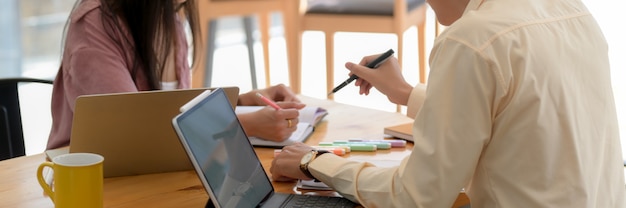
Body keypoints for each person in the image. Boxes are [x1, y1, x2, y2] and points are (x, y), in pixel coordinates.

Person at [270, 0, 626, 206]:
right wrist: (407, 93)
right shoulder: (571, 9)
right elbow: (520, 116)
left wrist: (314, 161)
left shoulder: (470, 39)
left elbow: (416, 197)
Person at [46, 0, 304, 150]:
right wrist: (243, 125)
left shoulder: (169, 18)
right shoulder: (95, 23)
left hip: (154, 178)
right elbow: (131, 132)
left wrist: (242, 102)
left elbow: (171, 111)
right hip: (91, 183)